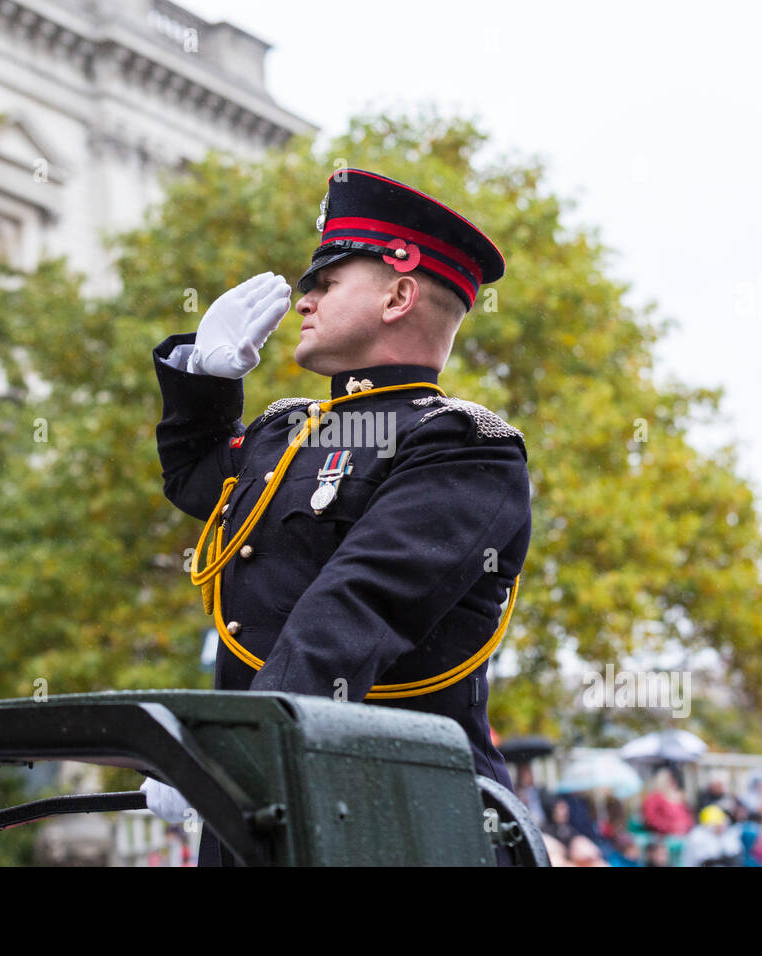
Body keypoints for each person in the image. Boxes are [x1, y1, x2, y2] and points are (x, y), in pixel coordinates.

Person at [147, 169, 529, 867]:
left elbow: (356, 604)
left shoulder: (462, 444)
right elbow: (195, 479)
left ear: (398, 295)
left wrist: (234, 746)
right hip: (264, 812)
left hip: (401, 818)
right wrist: (205, 376)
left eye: (326, 282)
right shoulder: (286, 431)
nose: (303, 299)